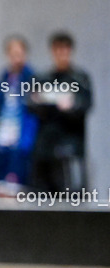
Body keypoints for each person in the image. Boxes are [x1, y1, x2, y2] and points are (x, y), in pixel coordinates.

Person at [26, 30, 93, 193]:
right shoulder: (43, 78)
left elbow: (86, 105)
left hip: (70, 146)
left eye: (64, 49)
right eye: (57, 50)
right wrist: (38, 101)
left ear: (70, 51)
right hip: (45, 147)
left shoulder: (80, 78)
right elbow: (29, 104)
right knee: (41, 196)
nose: (61, 54)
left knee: (71, 196)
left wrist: (71, 106)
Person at [0, 34, 38, 193]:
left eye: (19, 54)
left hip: (21, 142)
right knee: (0, 187)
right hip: (3, 137)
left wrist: (26, 142)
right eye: (13, 54)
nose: (16, 58)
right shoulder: (4, 77)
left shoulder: (33, 78)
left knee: (17, 188)